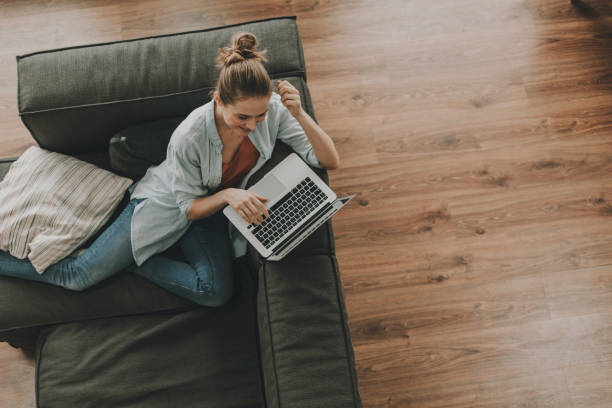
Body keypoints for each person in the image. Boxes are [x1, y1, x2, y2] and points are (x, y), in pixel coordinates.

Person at [0, 32, 339, 307]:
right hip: (169, 206)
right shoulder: (190, 136)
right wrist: (229, 194)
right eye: (243, 118)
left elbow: (329, 160)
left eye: (261, 116)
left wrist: (300, 115)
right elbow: (187, 208)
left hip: (213, 213)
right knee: (77, 275)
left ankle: (129, 264)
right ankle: (112, 259)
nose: (253, 126)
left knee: (215, 292)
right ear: (219, 101)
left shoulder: (273, 110)